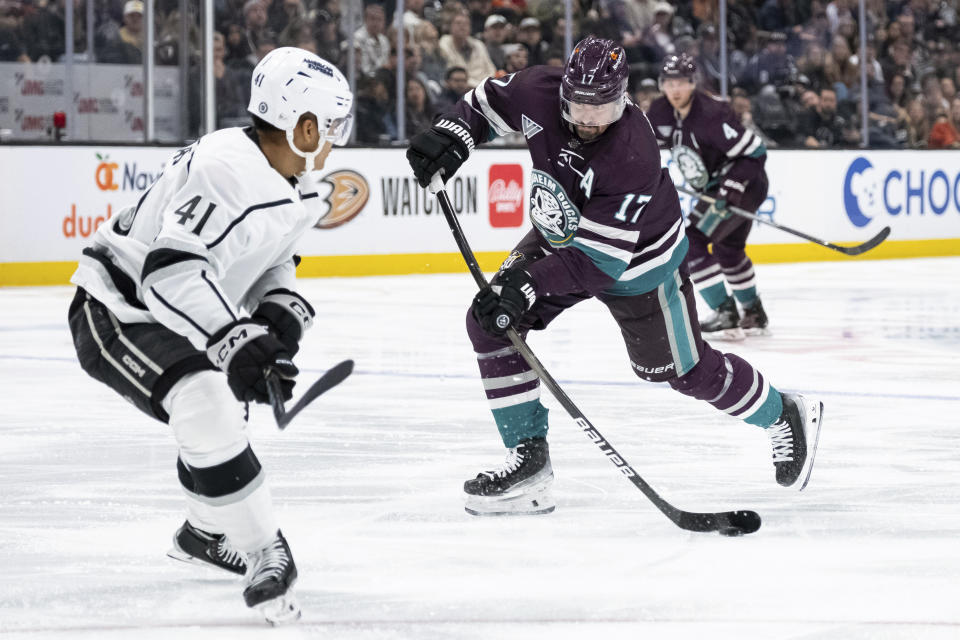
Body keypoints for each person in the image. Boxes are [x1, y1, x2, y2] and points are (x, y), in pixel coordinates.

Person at [405, 36, 824, 517]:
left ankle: (783, 413)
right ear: (563, 89)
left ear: (622, 97)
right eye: (577, 104)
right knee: (491, 322)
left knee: (684, 373)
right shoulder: (537, 89)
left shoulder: (631, 151)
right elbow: (485, 102)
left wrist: (526, 285)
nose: (586, 118)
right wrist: (453, 133)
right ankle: (528, 460)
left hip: (638, 264)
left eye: (600, 108)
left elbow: (597, 264)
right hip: (560, 234)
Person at [67, 47, 354, 624]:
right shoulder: (229, 168)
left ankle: (205, 533)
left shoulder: (283, 174)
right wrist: (234, 339)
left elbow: (270, 257)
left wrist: (278, 311)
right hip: (117, 307)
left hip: (172, 305)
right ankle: (262, 550)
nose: (336, 141)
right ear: (303, 127)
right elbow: (167, 273)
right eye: (333, 127)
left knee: (224, 406)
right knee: (204, 397)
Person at [646, 53, 772, 339]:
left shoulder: (713, 114)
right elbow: (644, 145)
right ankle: (753, 311)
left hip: (744, 184)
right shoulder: (660, 111)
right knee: (728, 250)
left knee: (692, 242)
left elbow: (755, 152)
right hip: (717, 187)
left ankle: (725, 311)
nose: (675, 90)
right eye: (669, 83)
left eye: (681, 83)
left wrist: (731, 188)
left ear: (693, 83)